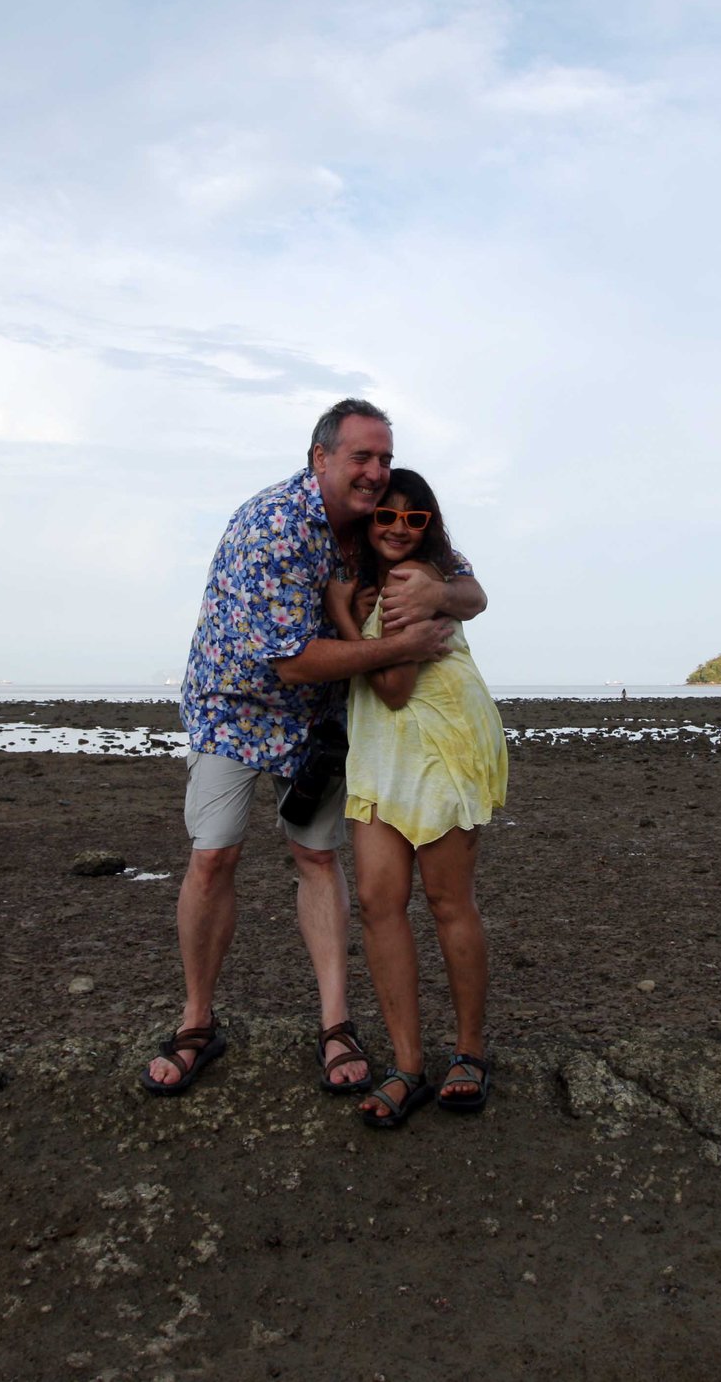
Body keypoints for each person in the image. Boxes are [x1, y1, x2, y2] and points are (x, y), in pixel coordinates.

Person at [142, 401, 488, 1098]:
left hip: (323, 715)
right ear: (319, 458)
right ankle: (196, 1021)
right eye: (362, 457)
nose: (376, 472)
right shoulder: (275, 525)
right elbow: (292, 661)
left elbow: (469, 588)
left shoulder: (380, 517)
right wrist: (403, 643)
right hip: (235, 706)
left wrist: (438, 592)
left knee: (317, 857)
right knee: (213, 856)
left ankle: (336, 1024)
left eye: (384, 458)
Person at [324, 468, 509, 1128]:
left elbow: (395, 686)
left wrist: (344, 617)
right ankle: (408, 1065)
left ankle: (469, 1052)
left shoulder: (410, 580)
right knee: (379, 903)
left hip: (437, 742)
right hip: (383, 750)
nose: (399, 528)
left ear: (430, 526)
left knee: (447, 900)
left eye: (415, 518)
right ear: (368, 518)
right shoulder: (377, 576)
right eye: (387, 516)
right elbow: (473, 596)